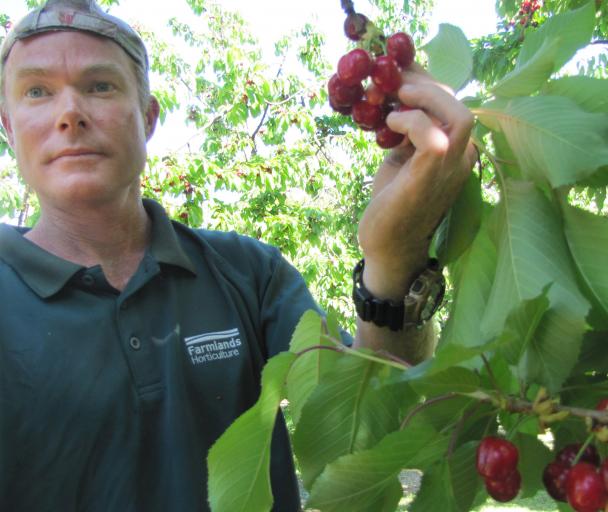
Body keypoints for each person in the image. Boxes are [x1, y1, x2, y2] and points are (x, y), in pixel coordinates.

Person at [0, 0, 476, 510]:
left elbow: (369, 425)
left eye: (99, 86)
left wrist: (394, 255)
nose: (69, 113)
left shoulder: (249, 273)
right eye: (37, 91)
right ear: (8, 129)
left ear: (148, 118)